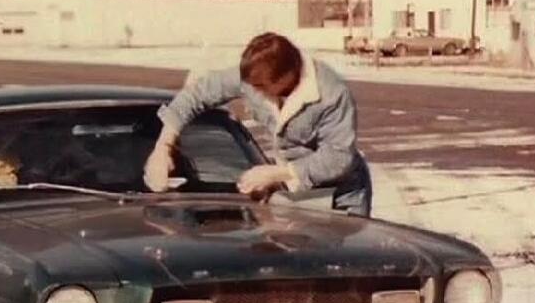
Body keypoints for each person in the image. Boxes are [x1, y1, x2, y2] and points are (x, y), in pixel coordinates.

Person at [144, 32, 372, 217]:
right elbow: (195, 95)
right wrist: (163, 148)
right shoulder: (255, 77)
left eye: (260, 88)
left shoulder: (332, 93)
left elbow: (339, 157)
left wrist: (277, 173)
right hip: (294, 193)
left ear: (286, 77)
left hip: (341, 196)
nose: (254, 92)